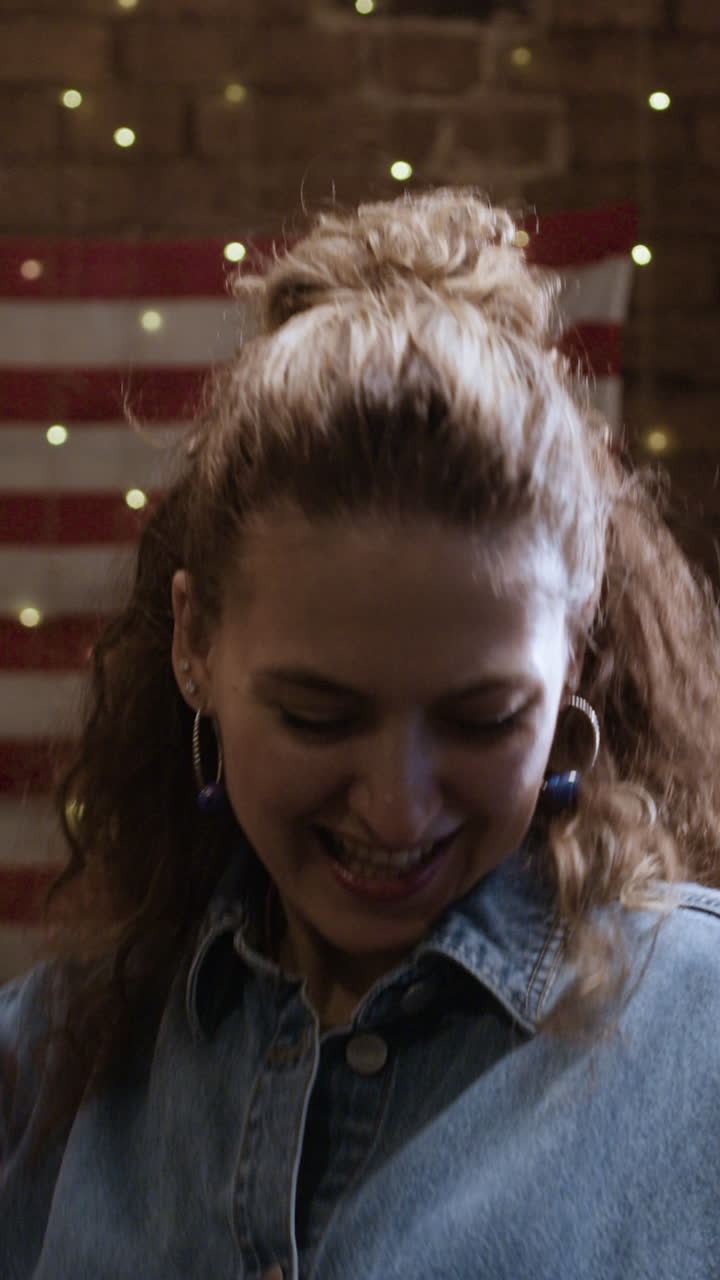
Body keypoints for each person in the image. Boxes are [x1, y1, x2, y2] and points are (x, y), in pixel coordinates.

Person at [2, 189, 720, 1280]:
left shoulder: (699, 1041)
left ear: (574, 653)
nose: (398, 805)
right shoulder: (43, 1065)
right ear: (193, 640)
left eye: (483, 718)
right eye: (318, 715)